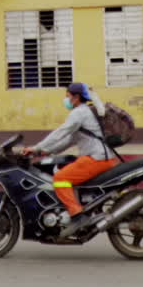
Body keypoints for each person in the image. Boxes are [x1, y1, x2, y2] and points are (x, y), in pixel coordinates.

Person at [25, 82, 117, 238]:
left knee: (60, 178)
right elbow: (66, 141)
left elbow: (61, 132)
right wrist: (41, 151)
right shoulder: (83, 113)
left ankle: (77, 215)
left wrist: (36, 147)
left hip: (97, 159)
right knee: (67, 169)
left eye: (67, 96)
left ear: (76, 97)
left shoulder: (79, 113)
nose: (66, 100)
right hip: (101, 157)